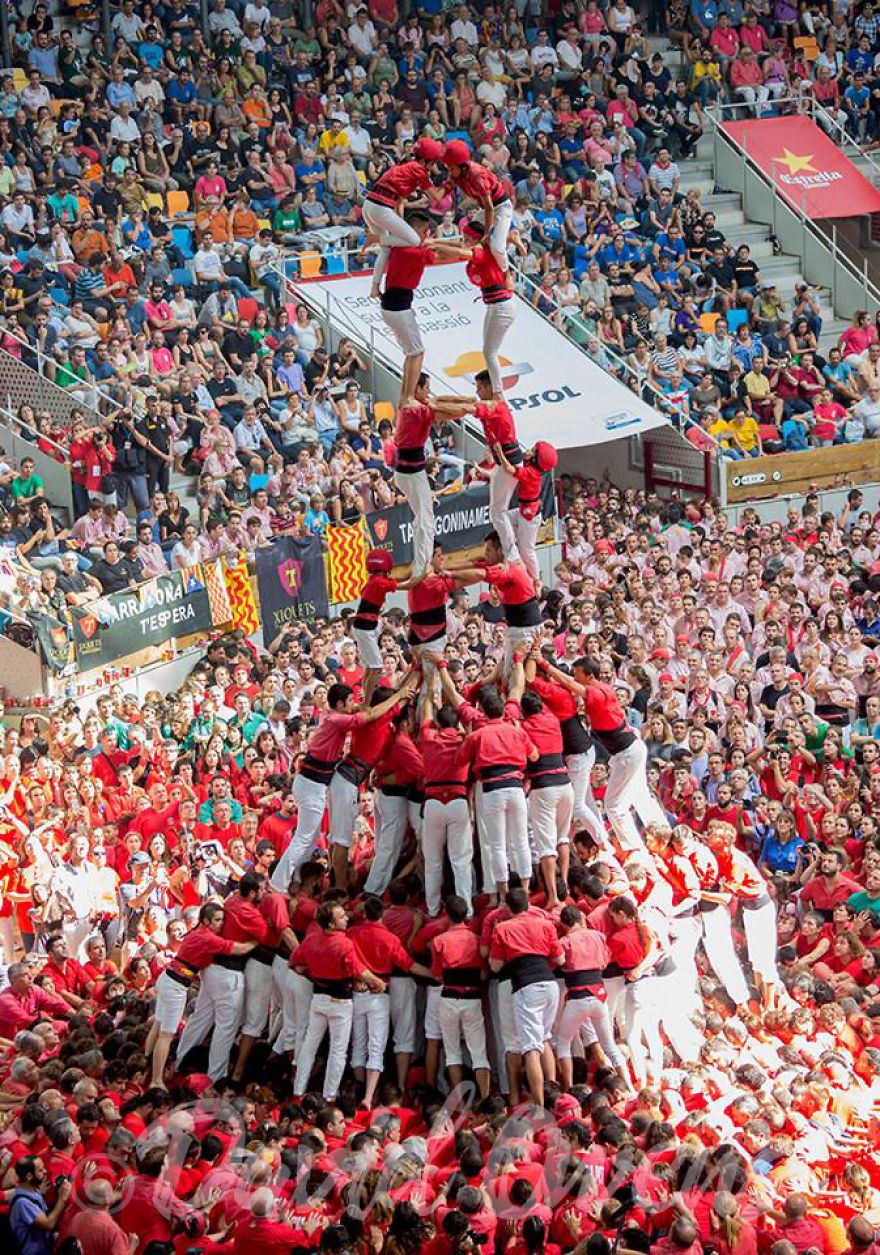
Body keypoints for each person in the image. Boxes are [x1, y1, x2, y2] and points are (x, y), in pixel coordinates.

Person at [364, 139, 445, 296]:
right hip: (381, 208)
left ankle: (375, 288)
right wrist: (451, 182)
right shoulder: (419, 170)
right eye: (434, 162)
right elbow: (436, 196)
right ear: (428, 161)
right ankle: (375, 239)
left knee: (385, 250)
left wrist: (399, 223)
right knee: (414, 240)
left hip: (369, 205)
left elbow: (399, 202)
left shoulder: (404, 168)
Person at [442, 138, 514, 273]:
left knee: (497, 248)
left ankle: (506, 274)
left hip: (500, 206)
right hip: (486, 208)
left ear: (462, 166)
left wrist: (486, 233)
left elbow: (490, 208)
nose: (450, 172)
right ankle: (509, 237)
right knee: (469, 232)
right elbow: (446, 188)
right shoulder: (457, 173)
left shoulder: (477, 175)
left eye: (451, 168)